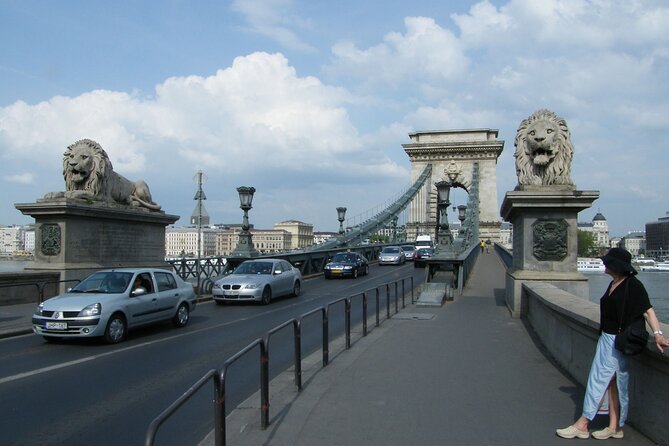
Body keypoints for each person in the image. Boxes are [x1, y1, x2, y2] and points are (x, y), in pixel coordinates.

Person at [556, 247, 669, 440]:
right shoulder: (614, 283)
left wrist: (658, 334)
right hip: (608, 339)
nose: (604, 264)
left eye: (607, 262)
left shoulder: (632, 285)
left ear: (616, 265)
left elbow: (648, 311)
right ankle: (615, 426)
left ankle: (583, 424)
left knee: (599, 381)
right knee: (613, 383)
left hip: (616, 342)